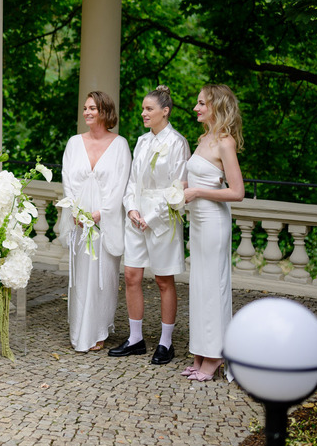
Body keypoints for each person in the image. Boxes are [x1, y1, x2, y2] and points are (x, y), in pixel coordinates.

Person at [110, 85, 190, 365]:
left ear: (164, 112)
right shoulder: (142, 141)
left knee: (163, 280)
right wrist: (131, 208)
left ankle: (166, 343)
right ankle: (135, 339)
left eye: (149, 109)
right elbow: (132, 180)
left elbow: (178, 187)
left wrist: (151, 218)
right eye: (143, 109)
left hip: (163, 219)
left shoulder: (178, 142)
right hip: (136, 216)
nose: (143, 113)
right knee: (131, 275)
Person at [61, 90, 131, 352]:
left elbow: (121, 185)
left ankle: (99, 329)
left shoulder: (120, 144)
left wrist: (100, 214)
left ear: (105, 112)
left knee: (104, 276)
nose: (87, 112)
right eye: (85, 108)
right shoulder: (73, 142)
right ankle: (80, 330)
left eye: (93, 108)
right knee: (80, 277)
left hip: (105, 221)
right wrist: (76, 212)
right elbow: (67, 179)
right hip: (79, 221)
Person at [183, 84, 245, 382]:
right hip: (197, 223)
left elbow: (237, 192)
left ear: (217, 107)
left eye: (201, 103)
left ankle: (216, 356)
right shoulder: (203, 138)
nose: (196, 108)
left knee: (213, 288)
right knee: (199, 287)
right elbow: (196, 180)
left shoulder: (225, 142)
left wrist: (197, 191)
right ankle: (201, 352)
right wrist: (182, 191)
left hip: (213, 224)